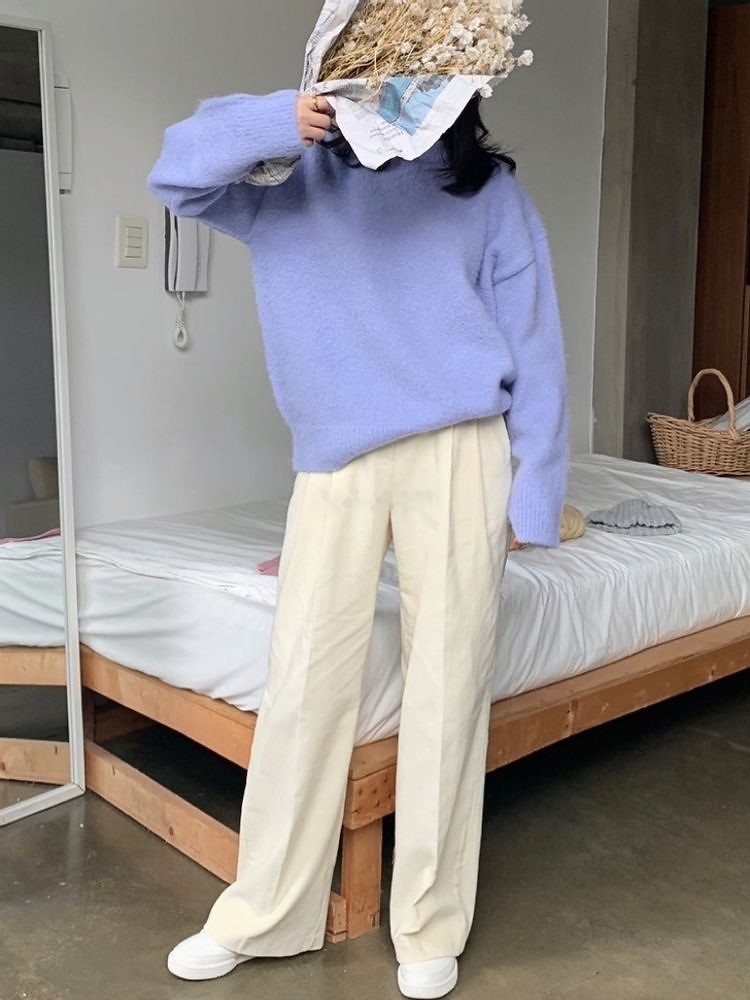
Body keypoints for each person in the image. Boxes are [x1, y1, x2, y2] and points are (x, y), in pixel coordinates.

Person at [147, 86, 569, 1000]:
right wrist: (277, 120)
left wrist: (535, 492)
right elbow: (176, 174)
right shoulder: (293, 176)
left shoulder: (486, 191)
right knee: (303, 680)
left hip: (461, 446)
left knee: (450, 683)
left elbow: (535, 344)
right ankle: (266, 913)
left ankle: (428, 921)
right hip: (336, 454)